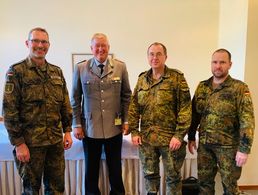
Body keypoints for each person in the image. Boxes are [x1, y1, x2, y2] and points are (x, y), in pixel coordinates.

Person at [2, 27, 73, 195]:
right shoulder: (16, 72)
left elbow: (65, 103)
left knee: (56, 189)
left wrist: (68, 131)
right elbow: (9, 110)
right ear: (28, 43)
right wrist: (19, 144)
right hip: (30, 144)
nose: (40, 45)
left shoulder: (56, 72)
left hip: (55, 142)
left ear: (48, 45)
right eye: (36, 41)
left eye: (44, 42)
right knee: (31, 190)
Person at [71, 33, 132, 195]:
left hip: (114, 127)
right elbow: (75, 98)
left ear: (108, 47)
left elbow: (126, 95)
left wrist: (126, 120)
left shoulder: (120, 67)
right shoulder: (81, 68)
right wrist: (76, 124)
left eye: (103, 45)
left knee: (115, 169)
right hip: (90, 128)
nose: (100, 49)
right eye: (97, 46)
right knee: (91, 170)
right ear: (91, 49)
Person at [188, 48, 255, 195]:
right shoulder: (202, 86)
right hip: (205, 146)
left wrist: (244, 149)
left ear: (230, 64)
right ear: (211, 64)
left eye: (222, 62)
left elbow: (247, 120)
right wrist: (192, 136)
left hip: (229, 147)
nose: (218, 66)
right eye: (215, 62)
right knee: (204, 185)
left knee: (230, 187)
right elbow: (194, 114)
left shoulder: (239, 88)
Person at [128, 42, 192, 195]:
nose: (154, 57)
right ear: (147, 57)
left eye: (158, 54)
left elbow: (185, 108)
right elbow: (134, 107)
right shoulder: (142, 79)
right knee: (150, 175)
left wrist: (179, 135)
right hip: (147, 138)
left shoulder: (177, 78)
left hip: (170, 140)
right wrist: (134, 131)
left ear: (165, 57)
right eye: (151, 54)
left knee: (173, 177)